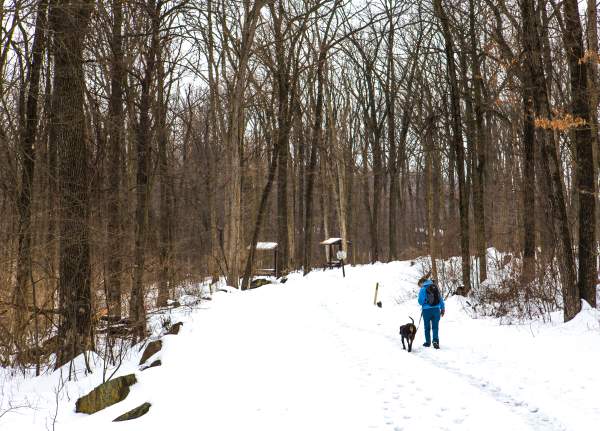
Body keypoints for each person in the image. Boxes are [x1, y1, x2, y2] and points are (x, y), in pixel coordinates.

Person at [418, 279, 445, 349]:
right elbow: (440, 299)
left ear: (422, 282)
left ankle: (428, 342)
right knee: (435, 327)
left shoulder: (422, 289)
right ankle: (435, 341)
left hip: (426, 311)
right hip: (436, 310)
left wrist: (425, 302)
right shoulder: (435, 287)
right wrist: (442, 308)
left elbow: (420, 302)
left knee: (427, 327)